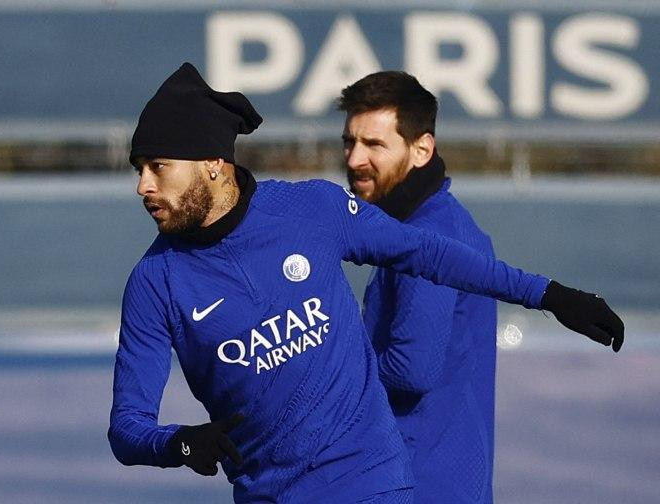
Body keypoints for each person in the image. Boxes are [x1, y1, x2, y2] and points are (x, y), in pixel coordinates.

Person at [107, 62, 623, 504]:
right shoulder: (154, 283)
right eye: (138, 169)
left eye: (158, 166)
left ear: (214, 165)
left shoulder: (312, 209)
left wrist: (549, 295)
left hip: (375, 485)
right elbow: (127, 426)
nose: (142, 186)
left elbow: (428, 255)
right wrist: (176, 444)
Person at [338, 70, 622, 503]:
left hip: (414, 486)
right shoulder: (431, 223)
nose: (355, 158)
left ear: (421, 150)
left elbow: (412, 368)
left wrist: (317, 366)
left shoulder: (429, 237)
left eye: (374, 144)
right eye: (350, 141)